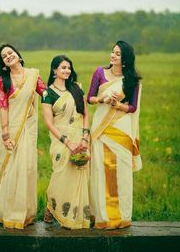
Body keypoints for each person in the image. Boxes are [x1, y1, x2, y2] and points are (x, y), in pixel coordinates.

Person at [0, 44, 46, 229]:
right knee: (11, 171)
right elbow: (3, 107)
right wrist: (5, 134)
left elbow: (44, 92)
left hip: (28, 128)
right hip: (10, 129)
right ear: (4, 63)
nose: (9, 56)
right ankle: (10, 214)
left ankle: (25, 214)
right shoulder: (4, 80)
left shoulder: (33, 75)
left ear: (18, 55)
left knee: (27, 169)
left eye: (10, 52)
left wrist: (67, 95)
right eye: (4, 56)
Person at [87, 40, 142, 229]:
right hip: (101, 130)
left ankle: (122, 217)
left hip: (121, 129)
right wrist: (103, 98)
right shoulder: (99, 73)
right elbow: (90, 98)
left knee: (122, 175)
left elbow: (132, 107)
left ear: (125, 59)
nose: (112, 55)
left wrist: (118, 105)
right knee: (101, 172)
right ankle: (103, 217)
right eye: (112, 52)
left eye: (117, 54)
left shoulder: (131, 80)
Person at [41, 55, 90, 229]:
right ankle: (51, 207)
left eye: (69, 67)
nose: (67, 70)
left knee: (76, 176)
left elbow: (85, 114)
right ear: (54, 70)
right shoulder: (48, 93)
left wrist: (85, 138)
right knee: (60, 175)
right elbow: (49, 123)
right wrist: (67, 142)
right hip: (61, 140)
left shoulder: (76, 88)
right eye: (63, 67)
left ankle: (73, 216)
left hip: (80, 139)